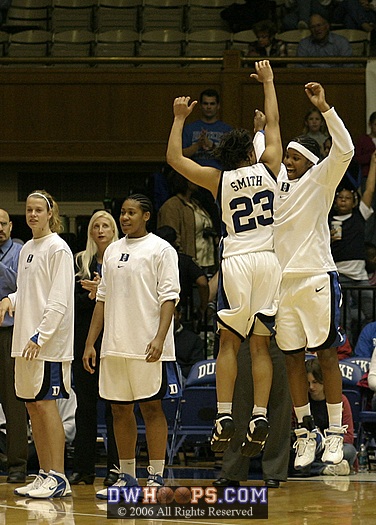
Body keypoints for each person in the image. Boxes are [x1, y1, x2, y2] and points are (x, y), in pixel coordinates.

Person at [166, 60, 282, 458]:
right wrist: (268, 82)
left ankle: (225, 415)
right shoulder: (270, 168)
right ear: (252, 151)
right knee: (262, 347)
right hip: (269, 260)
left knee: (228, 344)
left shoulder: (218, 179)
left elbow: (175, 161)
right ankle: (261, 414)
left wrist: (180, 118)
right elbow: (276, 124)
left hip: (236, 261)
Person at [273, 81, 354, 470]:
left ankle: (335, 432)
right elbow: (267, 146)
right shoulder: (278, 190)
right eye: (285, 156)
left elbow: (347, 149)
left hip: (317, 278)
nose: (287, 162)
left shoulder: (321, 181)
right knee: (291, 359)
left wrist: (325, 108)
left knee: (324, 355)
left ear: (309, 160)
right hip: (283, 283)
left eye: (294, 157)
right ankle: (305, 432)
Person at [82, 194, 180, 499]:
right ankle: (126, 476)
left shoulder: (162, 250)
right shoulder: (112, 251)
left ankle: (156, 476)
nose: (125, 218)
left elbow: (169, 298)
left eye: (131, 213)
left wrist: (160, 339)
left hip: (147, 345)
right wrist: (90, 343)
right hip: (114, 345)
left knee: (152, 407)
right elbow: (102, 298)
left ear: (146, 216)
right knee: (118, 410)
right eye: (122, 213)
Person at [0, 190, 75, 499]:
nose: (32, 214)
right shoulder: (28, 248)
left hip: (46, 346)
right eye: (28, 210)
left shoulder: (58, 248)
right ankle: (44, 473)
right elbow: (31, 292)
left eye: (38, 210)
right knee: (32, 407)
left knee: (46, 406)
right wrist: (10, 300)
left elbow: (58, 299)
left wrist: (40, 336)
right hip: (24, 344)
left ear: (49, 214)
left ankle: (58, 476)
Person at [69, 210, 120, 487]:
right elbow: (70, 301)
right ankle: (84, 469)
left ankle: (115, 469)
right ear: (90, 232)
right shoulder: (80, 261)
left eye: (106, 226)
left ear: (114, 231)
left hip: (113, 340)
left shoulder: (121, 260)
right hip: (84, 341)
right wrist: (92, 295)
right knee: (85, 407)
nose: (100, 230)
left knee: (115, 407)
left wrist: (103, 292)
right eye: (96, 226)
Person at [213, 337, 292, 489]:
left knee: (280, 404)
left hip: (279, 331)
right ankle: (232, 471)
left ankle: (274, 472)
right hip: (245, 332)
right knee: (239, 403)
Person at [329, 151, 376, 345]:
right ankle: (344, 350)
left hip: (361, 278)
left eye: (347, 198)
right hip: (339, 277)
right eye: (340, 198)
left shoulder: (359, 216)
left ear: (353, 201)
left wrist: (373, 162)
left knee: (371, 314)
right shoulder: (327, 219)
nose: (343, 201)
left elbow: (369, 191)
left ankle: (366, 347)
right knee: (343, 319)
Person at [290, 358, 357, 476]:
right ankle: (326, 469)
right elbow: (292, 431)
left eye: (315, 382)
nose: (311, 387)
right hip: (307, 448)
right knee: (289, 456)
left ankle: (313, 468)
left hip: (331, 447)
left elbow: (349, 436)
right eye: (307, 383)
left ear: (324, 380)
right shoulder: (300, 401)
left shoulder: (341, 400)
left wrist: (323, 442)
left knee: (349, 451)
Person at [0, 208, 28, 484]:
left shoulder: (21, 252)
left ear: (10, 226)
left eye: (2, 223)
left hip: (10, 333)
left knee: (14, 401)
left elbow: (20, 286)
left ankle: (18, 464)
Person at [182, 88, 232, 234]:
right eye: (205, 104)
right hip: (193, 181)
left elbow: (230, 158)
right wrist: (197, 145)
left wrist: (211, 146)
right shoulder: (190, 128)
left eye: (212, 104)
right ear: (201, 106)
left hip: (218, 180)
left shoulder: (226, 130)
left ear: (218, 106)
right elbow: (181, 154)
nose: (209, 107)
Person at [157, 173, 217, 275]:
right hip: (189, 266)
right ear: (186, 181)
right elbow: (170, 237)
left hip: (207, 262)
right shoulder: (172, 206)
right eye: (194, 178)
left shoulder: (196, 203)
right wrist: (184, 263)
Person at [155, 225, 209, 331]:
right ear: (175, 241)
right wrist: (203, 307)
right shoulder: (184, 260)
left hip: (153, 309)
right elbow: (202, 282)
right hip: (180, 310)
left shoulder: (149, 259)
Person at [174, 304, 204, 379]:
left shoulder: (194, 340)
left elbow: (197, 367)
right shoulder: (154, 337)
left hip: (183, 379)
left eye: (172, 315)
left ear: (179, 315)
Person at [355, 111, 376, 189]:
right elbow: (357, 159)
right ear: (370, 125)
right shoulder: (363, 140)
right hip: (367, 176)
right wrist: (371, 157)